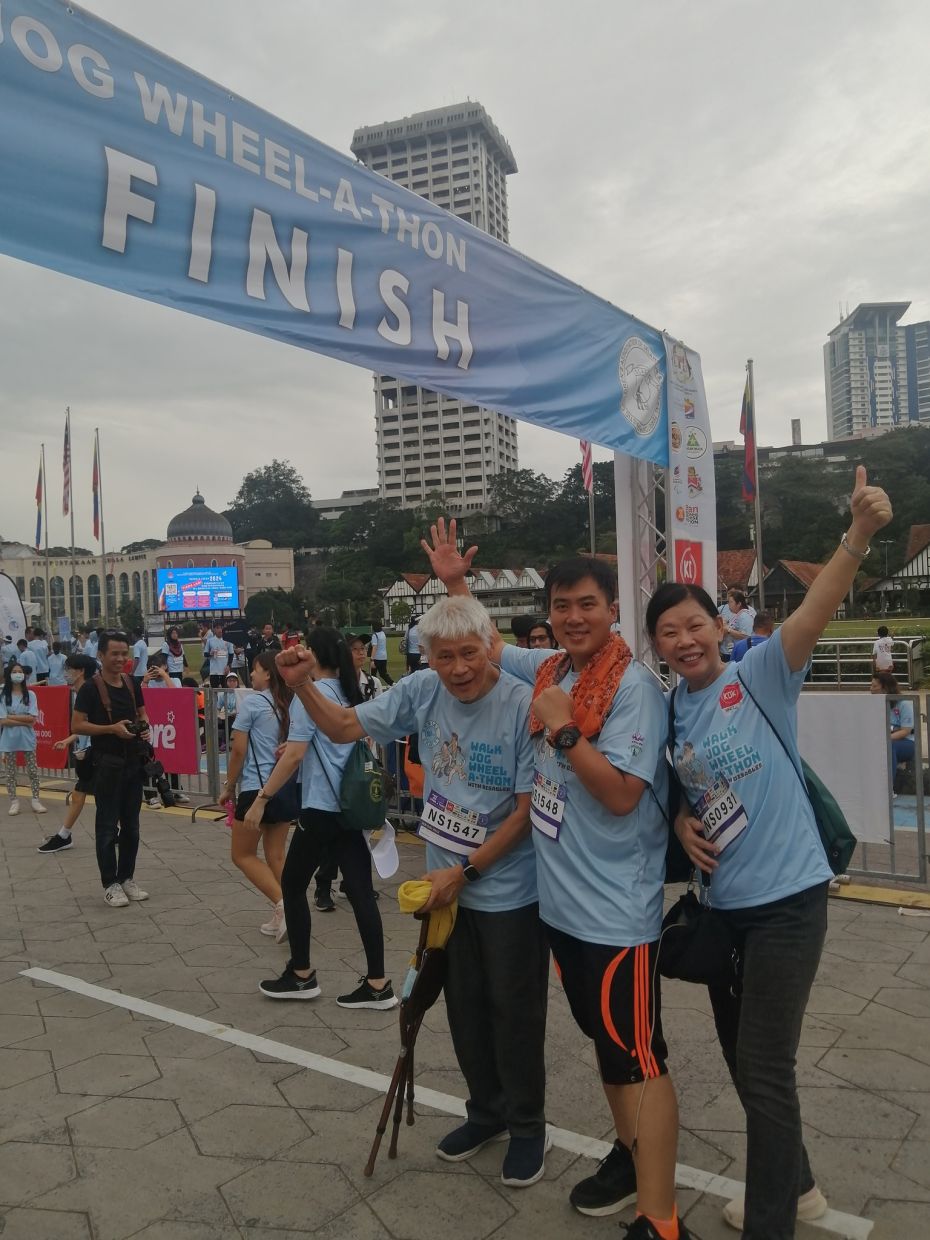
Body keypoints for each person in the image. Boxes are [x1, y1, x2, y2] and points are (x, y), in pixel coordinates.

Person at [650, 466, 892, 1239]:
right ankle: (806, 1188)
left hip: (788, 902)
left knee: (763, 1067)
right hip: (726, 912)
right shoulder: (670, 713)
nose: (685, 640)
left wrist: (855, 536)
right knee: (747, 1062)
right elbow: (682, 788)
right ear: (656, 647)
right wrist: (682, 824)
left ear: (719, 624)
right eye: (669, 632)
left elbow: (816, 613)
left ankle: (771, 1225)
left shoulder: (759, 676)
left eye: (695, 625)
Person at [425, 520, 683, 1238]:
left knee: (638, 1054)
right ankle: (630, 1154)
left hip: (614, 911)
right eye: (562, 606)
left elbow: (625, 794)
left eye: (588, 605)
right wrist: (454, 583)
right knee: (607, 1046)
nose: (574, 618)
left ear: (612, 611)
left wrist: (566, 733)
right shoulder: (553, 673)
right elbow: (485, 649)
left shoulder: (631, 688)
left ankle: (660, 1216)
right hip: (562, 909)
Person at [277, 595, 550, 1187]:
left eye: (469, 654)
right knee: (459, 1005)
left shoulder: (521, 705)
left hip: (506, 889)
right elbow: (347, 725)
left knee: (515, 1010)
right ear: (426, 656)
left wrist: (467, 872)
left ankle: (528, 1127)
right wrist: (301, 688)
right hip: (443, 891)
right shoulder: (423, 690)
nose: (458, 669)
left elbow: (526, 813)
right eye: (444, 656)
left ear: (489, 646)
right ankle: (487, 1113)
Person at [248, 626, 396, 1008]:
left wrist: (262, 798)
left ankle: (301, 974)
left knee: (294, 886)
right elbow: (313, 748)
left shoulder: (307, 696)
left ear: (315, 657)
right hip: (349, 809)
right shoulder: (348, 692)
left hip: (321, 806)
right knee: (361, 892)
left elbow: (297, 755)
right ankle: (378, 982)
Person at [219, 651, 296, 940]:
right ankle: (287, 912)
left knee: (242, 854)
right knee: (276, 855)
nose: (250, 675)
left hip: (256, 788)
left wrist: (228, 785)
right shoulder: (289, 703)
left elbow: (238, 750)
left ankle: (284, 905)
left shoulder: (252, 703)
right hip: (284, 787)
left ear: (268, 673)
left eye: (255, 669)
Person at [72, 630, 151, 908]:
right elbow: (77, 725)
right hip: (106, 764)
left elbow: (141, 712)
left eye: (124, 654)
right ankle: (110, 883)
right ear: (101, 655)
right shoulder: (90, 688)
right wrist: (111, 729)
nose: (120, 659)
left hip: (132, 763)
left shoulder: (131, 683)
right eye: (114, 654)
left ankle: (127, 877)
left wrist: (145, 727)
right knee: (107, 826)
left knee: (132, 825)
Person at [39, 654, 99, 853]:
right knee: (95, 795)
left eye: (69, 669)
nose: (66, 674)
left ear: (80, 671)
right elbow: (84, 726)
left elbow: (92, 725)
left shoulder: (89, 692)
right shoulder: (82, 691)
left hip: (95, 753)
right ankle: (114, 832)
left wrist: (71, 739)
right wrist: (68, 740)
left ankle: (64, 836)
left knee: (81, 794)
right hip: (90, 752)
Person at [141, 657, 190, 807]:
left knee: (171, 757)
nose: (155, 672)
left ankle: (175, 790)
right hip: (152, 727)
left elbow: (176, 693)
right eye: (152, 668)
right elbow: (140, 699)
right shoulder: (145, 683)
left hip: (169, 725)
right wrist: (145, 681)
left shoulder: (174, 680)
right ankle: (151, 795)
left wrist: (164, 675)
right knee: (149, 759)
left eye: (158, 668)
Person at [0, 660, 46, 816]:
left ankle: (35, 799)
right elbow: (2, 720)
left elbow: (32, 719)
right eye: (14, 672)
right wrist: (22, 719)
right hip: (9, 740)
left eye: (20, 672)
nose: (18, 674)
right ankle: (14, 801)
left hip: (27, 739)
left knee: (33, 771)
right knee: (10, 773)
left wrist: (12, 717)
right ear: (8, 675)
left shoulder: (31, 694)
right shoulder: (3, 695)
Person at [871, 669, 915, 785]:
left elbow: (905, 731)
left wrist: (884, 739)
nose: (871, 689)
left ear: (885, 688)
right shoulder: (873, 705)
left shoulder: (903, 704)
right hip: (883, 739)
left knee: (889, 746)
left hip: (907, 743)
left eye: (874, 686)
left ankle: (888, 788)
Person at [718, 589, 754, 660]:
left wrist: (728, 630)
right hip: (731, 652)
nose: (729, 605)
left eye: (731, 602)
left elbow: (747, 636)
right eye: (728, 602)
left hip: (739, 654)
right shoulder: (739, 614)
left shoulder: (745, 616)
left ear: (739, 604)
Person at [204, 622, 232, 688]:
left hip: (224, 670)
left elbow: (231, 654)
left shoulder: (228, 640)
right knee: (214, 690)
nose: (220, 630)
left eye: (221, 628)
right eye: (217, 628)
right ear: (214, 630)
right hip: (214, 671)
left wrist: (228, 666)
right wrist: (210, 654)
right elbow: (205, 654)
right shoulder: (210, 641)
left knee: (226, 690)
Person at [368, 619, 393, 684]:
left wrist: (372, 659)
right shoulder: (383, 634)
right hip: (384, 657)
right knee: (383, 674)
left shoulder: (375, 635)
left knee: (373, 675)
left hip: (377, 658)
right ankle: (392, 683)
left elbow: (374, 647)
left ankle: (374, 687)